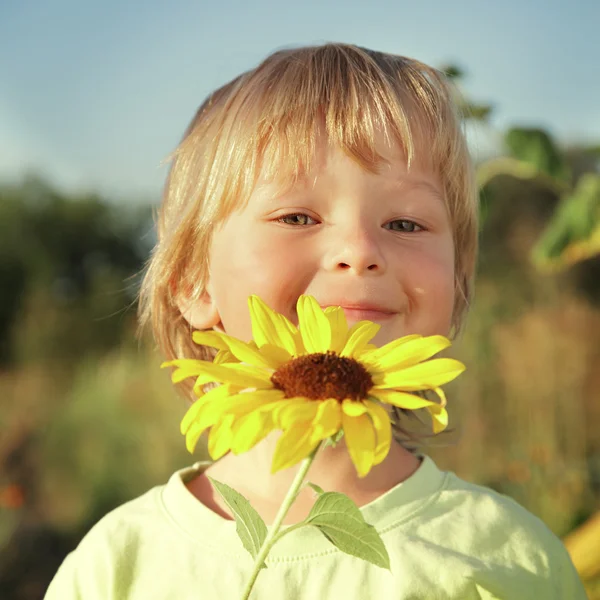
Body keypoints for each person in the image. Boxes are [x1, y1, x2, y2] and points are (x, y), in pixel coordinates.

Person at [45, 43, 586, 599]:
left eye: (404, 223)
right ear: (192, 281)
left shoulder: (509, 558)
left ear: (459, 282)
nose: (358, 249)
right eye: (297, 216)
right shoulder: (121, 566)